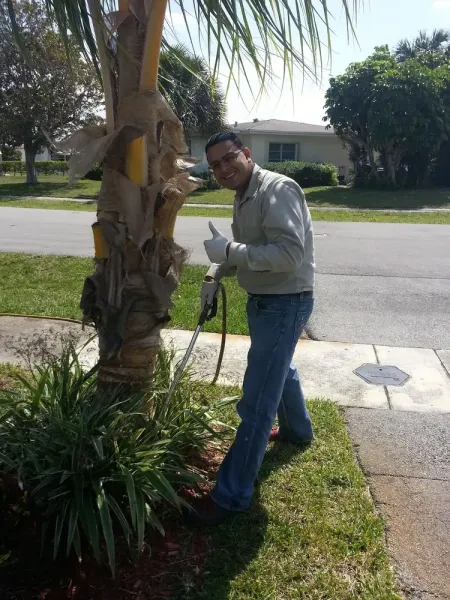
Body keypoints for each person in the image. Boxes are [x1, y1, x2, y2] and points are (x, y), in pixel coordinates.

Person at [188, 131, 315, 526]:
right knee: (280, 368)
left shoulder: (277, 190)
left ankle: (230, 497)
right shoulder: (244, 194)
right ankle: (298, 430)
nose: (224, 169)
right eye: (215, 166)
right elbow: (252, 250)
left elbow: (289, 255)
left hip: (285, 302)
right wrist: (217, 271)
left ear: (246, 153)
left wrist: (229, 251)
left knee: (258, 400)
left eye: (229, 159)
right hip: (264, 301)